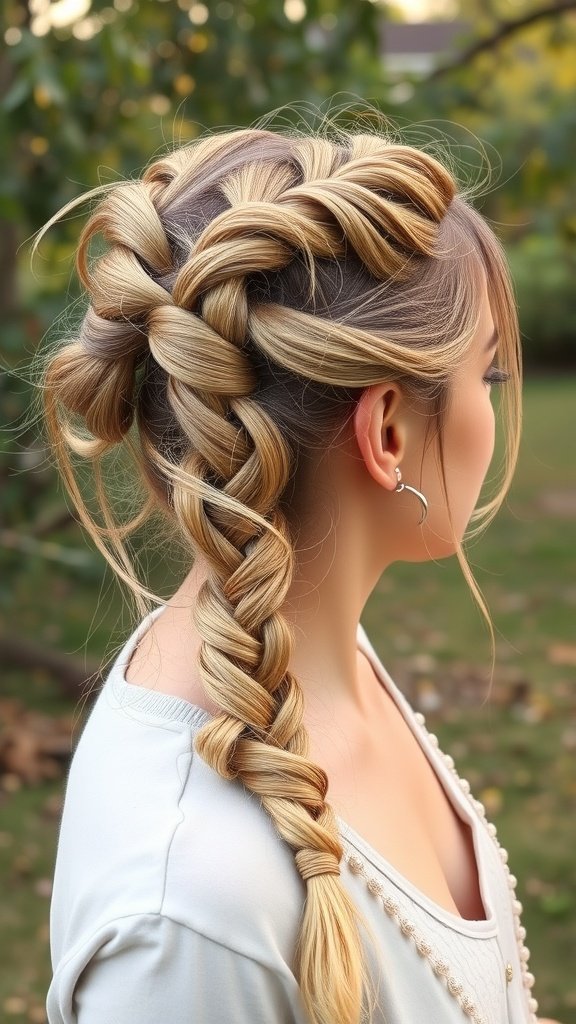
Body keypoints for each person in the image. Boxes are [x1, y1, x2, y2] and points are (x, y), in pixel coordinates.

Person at [37, 120, 562, 1024]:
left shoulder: (304, 646)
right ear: (387, 431)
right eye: (490, 376)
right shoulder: (189, 927)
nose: (495, 408)